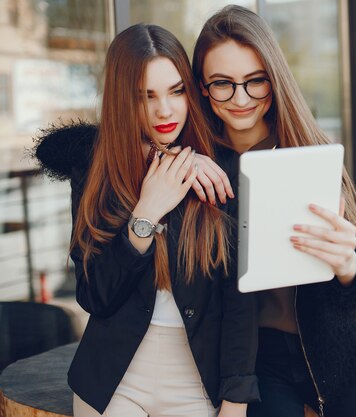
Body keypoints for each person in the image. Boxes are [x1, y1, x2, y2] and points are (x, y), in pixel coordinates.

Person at [33, 24, 258, 417]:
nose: (164, 110)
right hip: (113, 381)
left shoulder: (220, 173)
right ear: (123, 101)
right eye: (145, 96)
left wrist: (235, 401)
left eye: (176, 91)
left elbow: (240, 301)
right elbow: (94, 296)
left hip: (196, 381)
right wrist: (146, 212)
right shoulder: (96, 171)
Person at [191, 6, 356, 417]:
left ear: (274, 78)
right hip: (250, 361)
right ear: (202, 87)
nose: (241, 98)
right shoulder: (197, 165)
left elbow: (355, 293)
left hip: (330, 348)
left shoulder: (308, 151)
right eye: (223, 84)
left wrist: (347, 265)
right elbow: (85, 145)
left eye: (255, 82)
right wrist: (171, 156)